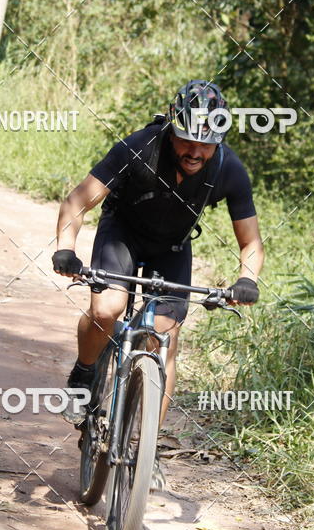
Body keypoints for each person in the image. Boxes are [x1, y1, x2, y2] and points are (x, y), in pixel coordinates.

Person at [52, 80, 264, 453]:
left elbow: (251, 243)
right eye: (187, 140)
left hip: (172, 247)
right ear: (171, 127)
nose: (196, 151)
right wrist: (65, 249)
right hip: (123, 233)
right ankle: (85, 373)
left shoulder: (229, 168)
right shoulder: (139, 147)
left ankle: (144, 449)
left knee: (163, 335)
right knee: (107, 308)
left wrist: (246, 279)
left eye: (207, 143)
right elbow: (77, 202)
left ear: (220, 139)